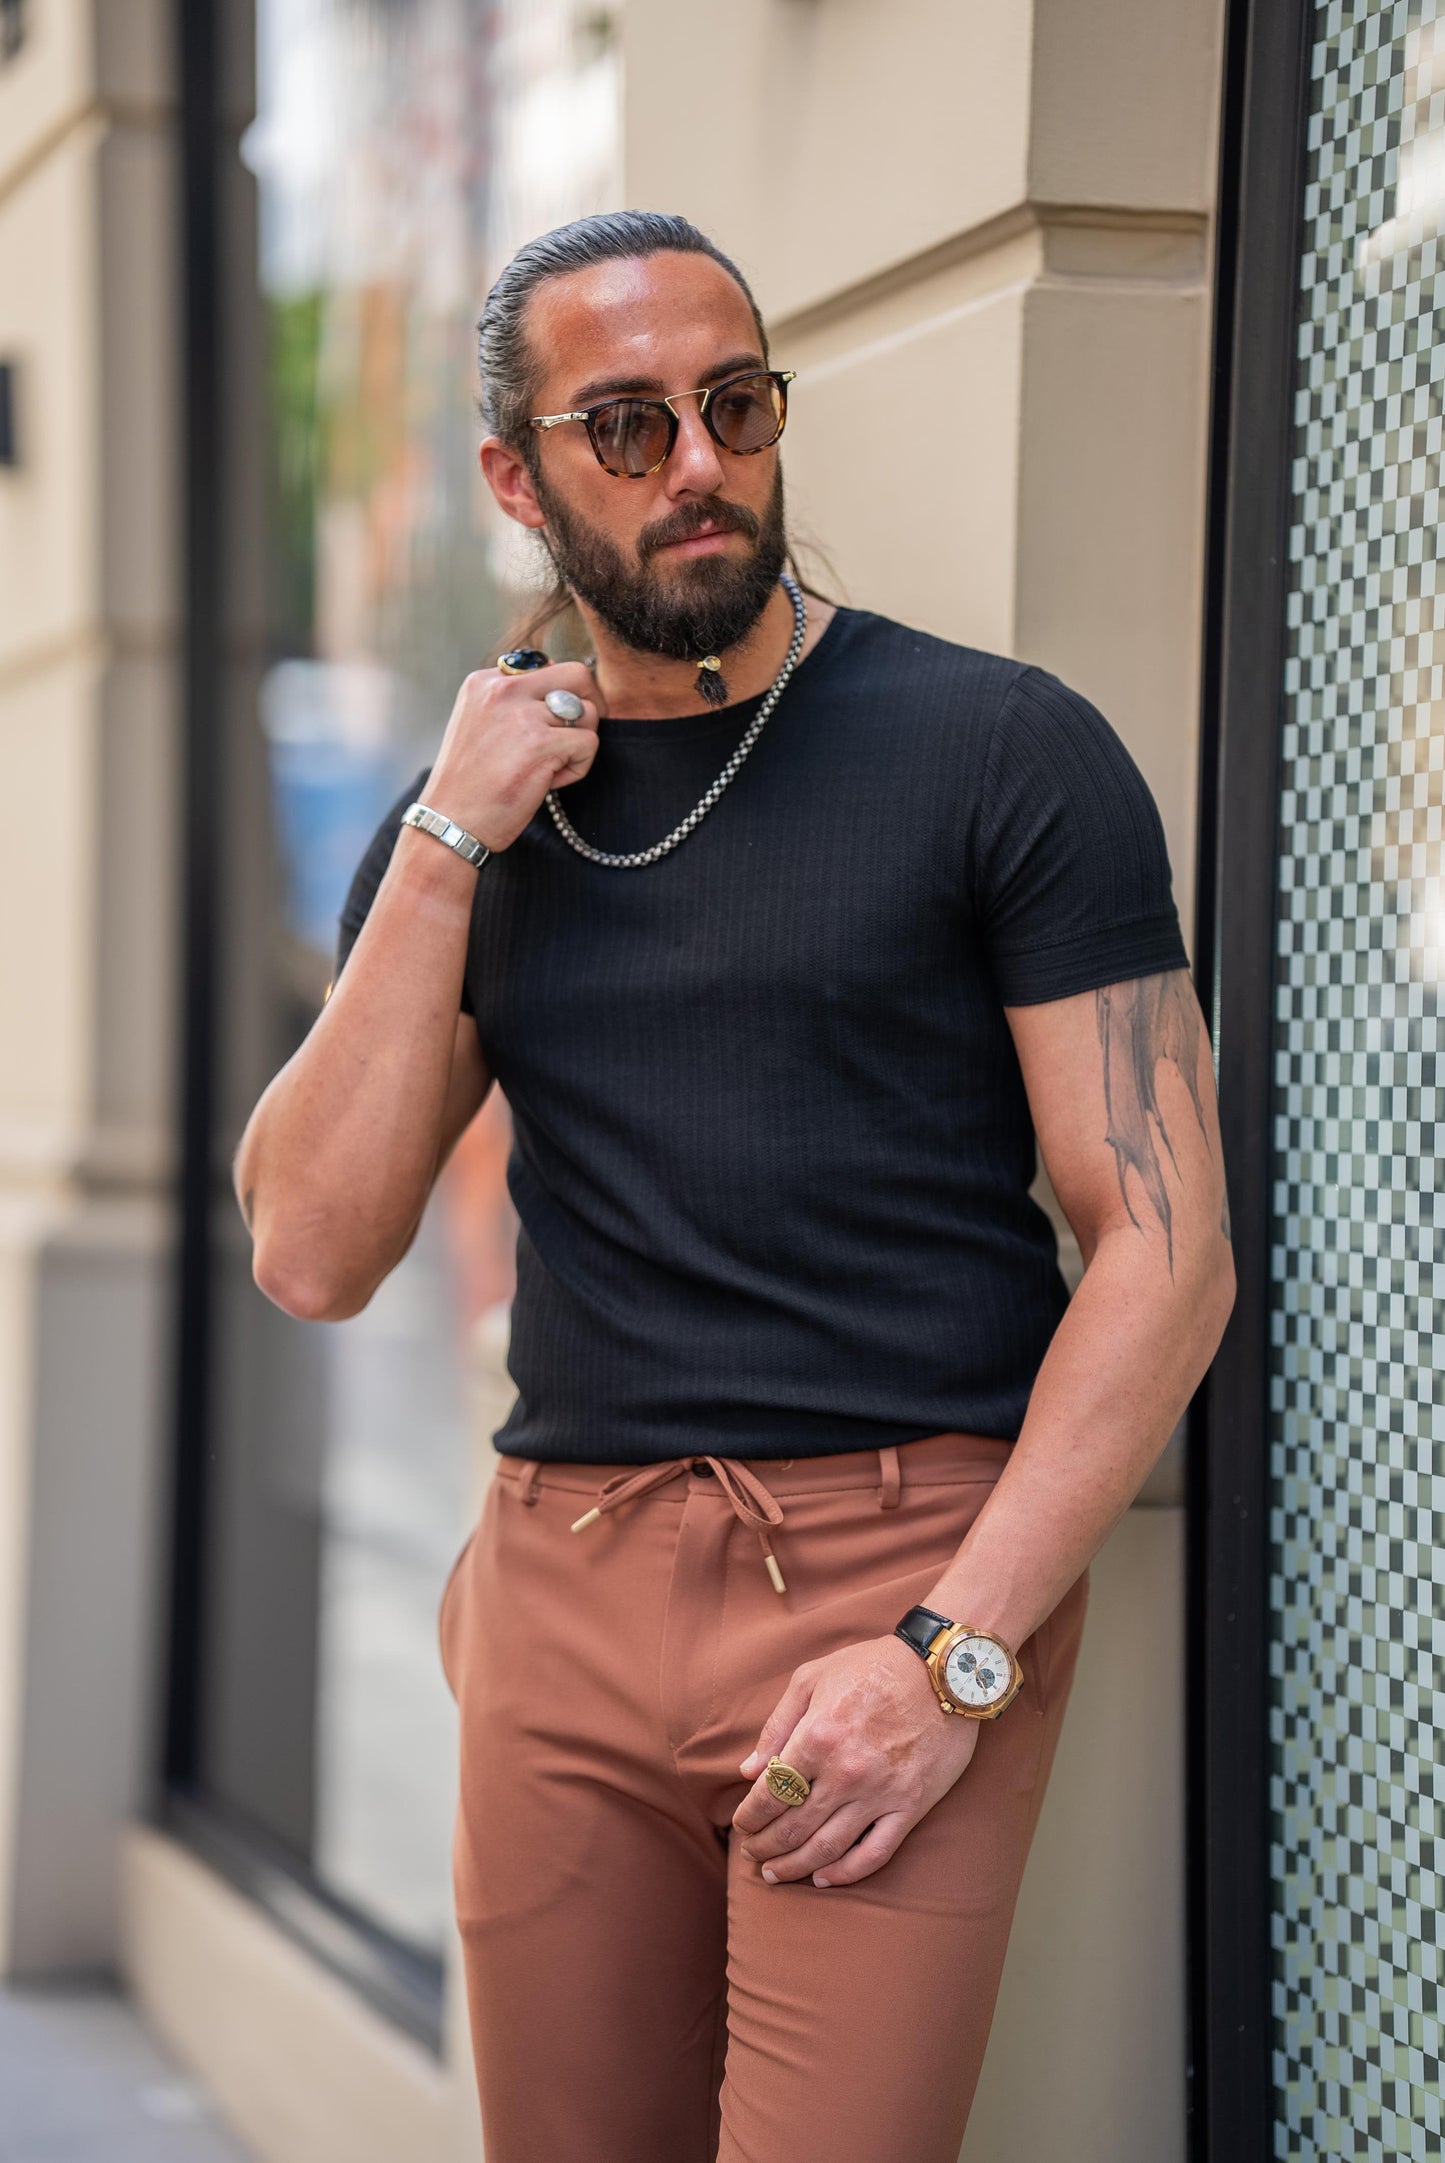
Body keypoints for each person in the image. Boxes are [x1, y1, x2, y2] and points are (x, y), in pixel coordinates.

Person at [234, 210, 1235, 2163]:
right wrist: (443, 840)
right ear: (517, 477)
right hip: (566, 1575)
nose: (699, 462)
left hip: (894, 1562)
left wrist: (961, 1646)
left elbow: (1167, 1246)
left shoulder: (995, 750)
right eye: (626, 424)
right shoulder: (484, 811)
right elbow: (309, 1243)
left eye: (736, 404)